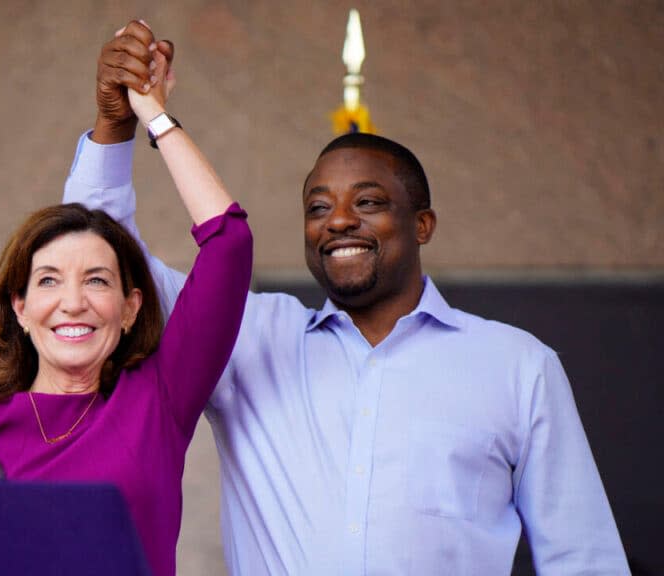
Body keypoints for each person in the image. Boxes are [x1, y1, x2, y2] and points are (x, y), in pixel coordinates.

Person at [63, 20, 629, 576]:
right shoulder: (245, 336)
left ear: (423, 224)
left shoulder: (518, 367)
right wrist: (115, 125)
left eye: (368, 203)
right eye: (317, 207)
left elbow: (582, 558)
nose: (337, 221)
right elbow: (99, 263)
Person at [0, 40, 252, 576]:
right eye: (49, 281)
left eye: (97, 280)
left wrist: (154, 114)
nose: (72, 303)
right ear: (21, 309)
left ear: (129, 308)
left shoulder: (156, 400)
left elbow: (229, 244)